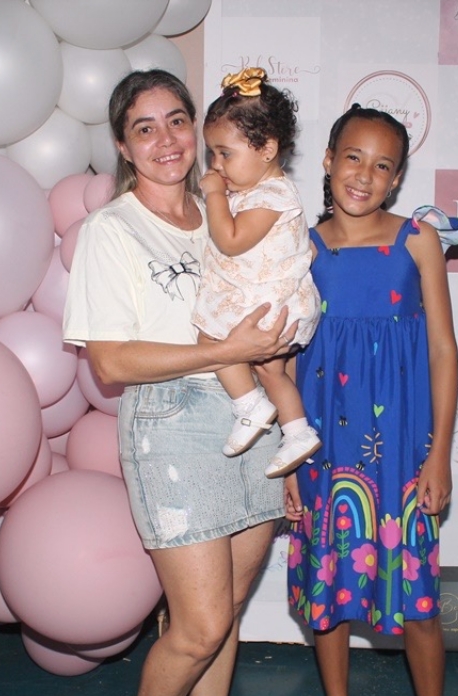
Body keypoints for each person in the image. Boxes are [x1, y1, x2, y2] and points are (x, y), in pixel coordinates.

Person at [63, 69, 296, 696]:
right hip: (172, 422)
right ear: (123, 145)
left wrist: (289, 427)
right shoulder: (113, 230)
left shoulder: (232, 210)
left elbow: (276, 311)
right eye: (144, 127)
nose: (165, 139)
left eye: (176, 121)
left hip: (256, 416)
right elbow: (111, 362)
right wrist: (223, 351)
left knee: (226, 611)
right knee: (197, 624)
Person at [284, 105, 458, 696]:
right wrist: (291, 459)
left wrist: (440, 455)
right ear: (328, 159)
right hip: (325, 450)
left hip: (402, 452)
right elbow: (286, 357)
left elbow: (443, 350)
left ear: (397, 179)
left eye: (382, 165)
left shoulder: (417, 240)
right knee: (330, 592)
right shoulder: (301, 247)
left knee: (419, 600)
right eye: (353, 157)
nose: (364, 175)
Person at [192, 67, 322, 478]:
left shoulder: (269, 195)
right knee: (271, 369)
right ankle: (298, 432)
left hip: (265, 306)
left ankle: (249, 405)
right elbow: (308, 249)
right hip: (281, 304)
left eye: (225, 154)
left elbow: (230, 240)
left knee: (211, 337)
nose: (216, 165)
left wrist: (214, 195)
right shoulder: (267, 192)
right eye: (211, 154)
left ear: (267, 149)